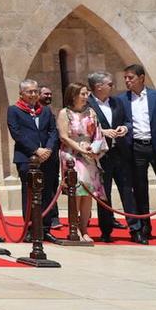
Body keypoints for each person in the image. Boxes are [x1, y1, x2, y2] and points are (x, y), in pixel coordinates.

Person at [6, 79, 60, 241]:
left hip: (47, 158)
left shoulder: (45, 111)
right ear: (21, 94)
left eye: (36, 91)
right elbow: (17, 133)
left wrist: (48, 150)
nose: (33, 95)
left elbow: (53, 131)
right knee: (29, 193)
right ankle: (31, 228)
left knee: (47, 192)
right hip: (27, 158)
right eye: (30, 92)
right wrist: (36, 150)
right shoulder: (14, 110)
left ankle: (45, 228)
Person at [87, 71, 134, 242]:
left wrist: (125, 128)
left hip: (120, 153)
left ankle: (135, 228)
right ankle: (106, 230)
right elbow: (82, 128)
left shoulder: (117, 102)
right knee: (103, 194)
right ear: (99, 86)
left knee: (127, 190)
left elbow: (128, 121)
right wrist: (102, 132)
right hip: (101, 156)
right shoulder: (88, 104)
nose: (113, 87)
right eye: (110, 84)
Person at [58, 82, 105, 243]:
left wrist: (94, 148)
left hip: (89, 154)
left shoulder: (91, 112)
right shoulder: (65, 113)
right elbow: (64, 136)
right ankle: (74, 227)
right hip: (72, 155)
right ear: (73, 95)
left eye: (87, 94)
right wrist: (80, 148)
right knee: (78, 191)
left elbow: (98, 133)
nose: (86, 97)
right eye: (83, 94)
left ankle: (84, 228)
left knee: (88, 194)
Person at [122, 63, 156, 244]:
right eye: (125, 78)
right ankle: (144, 227)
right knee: (140, 188)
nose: (127, 81)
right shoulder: (122, 99)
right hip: (136, 147)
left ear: (141, 78)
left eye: (130, 77)